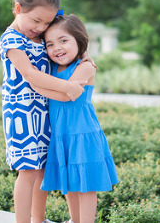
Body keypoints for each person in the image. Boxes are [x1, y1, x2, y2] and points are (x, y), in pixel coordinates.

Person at [0, 0, 86, 223]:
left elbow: (69, 42)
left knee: (43, 171)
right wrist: (68, 87)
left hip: (45, 112)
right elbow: (30, 75)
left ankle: (39, 219)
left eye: (45, 23)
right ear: (18, 9)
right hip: (22, 114)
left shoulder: (38, 37)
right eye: (36, 20)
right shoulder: (12, 39)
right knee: (27, 171)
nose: (39, 28)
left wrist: (86, 59)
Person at [34, 14, 119, 223]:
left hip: (83, 134)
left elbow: (66, 94)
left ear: (79, 40)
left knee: (86, 185)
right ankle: (75, 219)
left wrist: (35, 84)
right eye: (50, 44)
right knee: (70, 182)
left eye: (64, 40)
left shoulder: (86, 66)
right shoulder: (53, 68)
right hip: (62, 135)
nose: (57, 48)